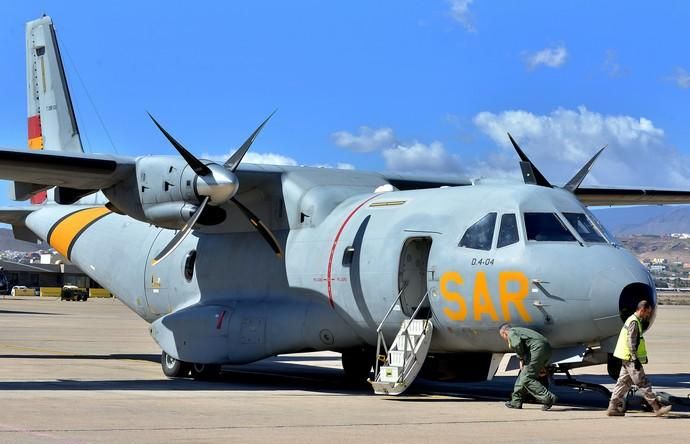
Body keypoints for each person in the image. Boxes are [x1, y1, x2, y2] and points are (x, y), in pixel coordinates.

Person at [607, 300, 672, 417]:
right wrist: (635, 358)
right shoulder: (634, 322)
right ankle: (657, 408)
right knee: (643, 383)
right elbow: (631, 341)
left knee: (622, 383)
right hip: (630, 358)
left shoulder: (632, 319)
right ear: (642, 310)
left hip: (626, 357)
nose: (648, 315)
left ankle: (613, 407)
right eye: (647, 312)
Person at [499, 324, 557, 410]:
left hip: (536, 349)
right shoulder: (519, 330)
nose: (505, 339)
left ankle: (548, 398)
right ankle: (516, 401)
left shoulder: (511, 332)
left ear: (504, 333)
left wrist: (521, 358)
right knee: (523, 375)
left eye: (502, 336)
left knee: (527, 378)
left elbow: (517, 344)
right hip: (545, 348)